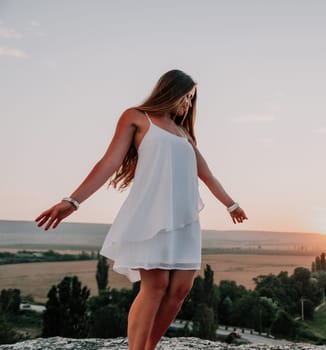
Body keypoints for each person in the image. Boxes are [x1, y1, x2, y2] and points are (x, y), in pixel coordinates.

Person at [35, 69, 248, 350]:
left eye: (191, 100)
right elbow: (108, 163)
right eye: (186, 97)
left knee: (181, 289)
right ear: (170, 91)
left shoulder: (184, 134)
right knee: (156, 286)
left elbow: (207, 175)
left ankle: (149, 346)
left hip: (185, 220)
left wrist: (231, 204)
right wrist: (72, 202)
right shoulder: (136, 117)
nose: (187, 105)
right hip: (152, 215)